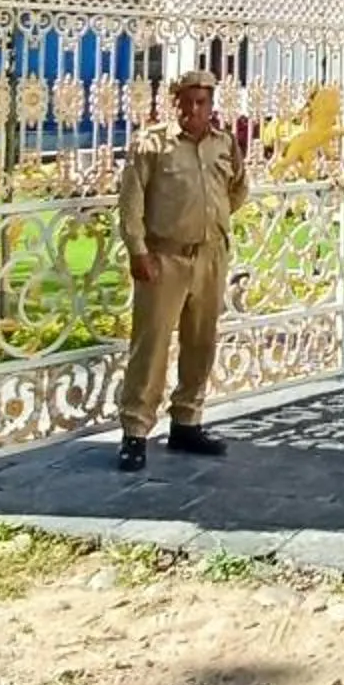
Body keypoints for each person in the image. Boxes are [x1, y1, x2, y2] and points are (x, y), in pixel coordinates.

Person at [113, 58, 249, 473]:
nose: (193, 110)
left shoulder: (224, 144)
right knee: (151, 346)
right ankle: (135, 432)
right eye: (186, 102)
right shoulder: (152, 145)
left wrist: (215, 226)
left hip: (209, 257)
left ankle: (187, 421)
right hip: (164, 258)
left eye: (201, 102)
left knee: (200, 343)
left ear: (212, 105)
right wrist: (138, 250)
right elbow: (131, 203)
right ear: (174, 103)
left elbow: (238, 190)